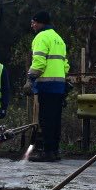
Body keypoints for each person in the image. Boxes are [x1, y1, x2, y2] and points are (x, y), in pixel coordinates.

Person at [27, 10, 69, 161]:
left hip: (46, 85)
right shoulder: (59, 39)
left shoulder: (41, 37)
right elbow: (65, 65)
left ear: (39, 22)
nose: (32, 25)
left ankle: (47, 152)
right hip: (59, 86)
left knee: (45, 119)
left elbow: (39, 62)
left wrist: (30, 79)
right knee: (56, 119)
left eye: (33, 22)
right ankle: (55, 151)